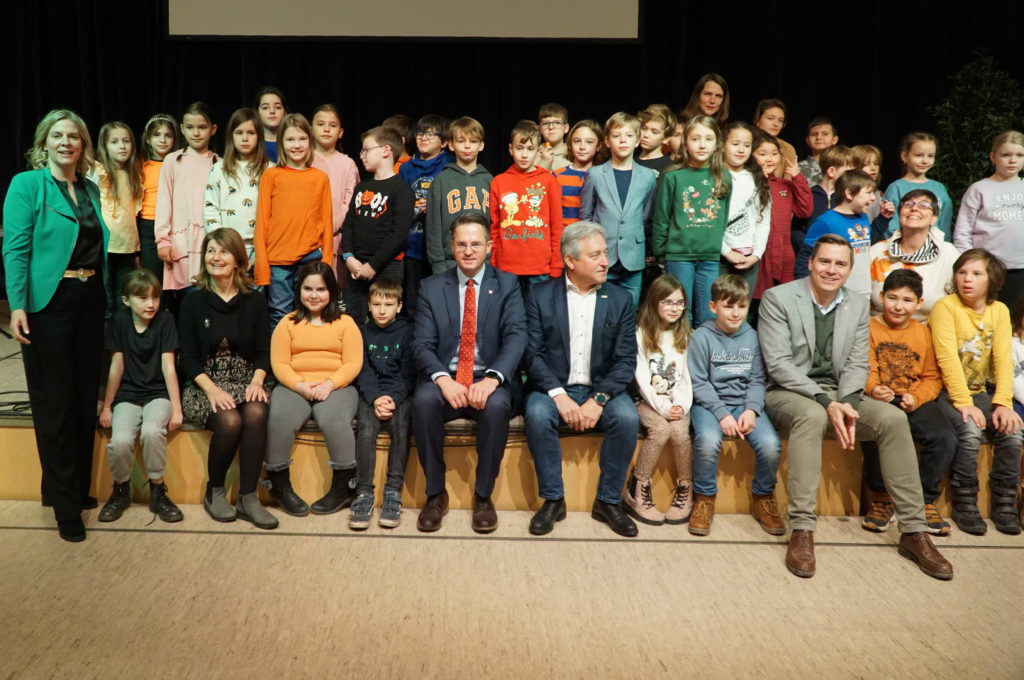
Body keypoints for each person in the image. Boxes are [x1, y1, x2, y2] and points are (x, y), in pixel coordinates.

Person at [759, 234, 953, 580]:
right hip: (791, 392)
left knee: (893, 418)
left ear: (850, 270)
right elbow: (779, 365)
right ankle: (802, 529)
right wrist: (826, 402)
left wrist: (846, 403)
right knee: (810, 415)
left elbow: (856, 363)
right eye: (825, 261)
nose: (831, 270)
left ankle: (913, 531)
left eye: (840, 264)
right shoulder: (778, 298)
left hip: (841, 392)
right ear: (810, 262)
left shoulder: (858, 304)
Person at [3, 109, 109, 542]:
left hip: (88, 301)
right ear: (44, 142)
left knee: (83, 400)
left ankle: (68, 489)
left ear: (83, 146)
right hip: (49, 304)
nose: (67, 142)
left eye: (75, 137)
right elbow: (16, 250)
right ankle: (66, 508)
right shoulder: (27, 185)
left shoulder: (90, 188)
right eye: (58, 135)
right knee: (55, 404)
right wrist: (17, 305)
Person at [411, 212, 527, 533]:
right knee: (422, 401)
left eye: (476, 243)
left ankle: (483, 495)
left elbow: (517, 337)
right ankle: (435, 494)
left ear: (489, 246)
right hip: (447, 379)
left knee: (498, 405)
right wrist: (442, 379)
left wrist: (492, 379)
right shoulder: (432, 287)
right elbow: (420, 344)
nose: (469, 250)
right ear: (451, 246)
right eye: (461, 244)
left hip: (487, 379)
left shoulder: (507, 285)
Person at [523, 221, 640, 537]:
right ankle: (552, 500)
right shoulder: (539, 295)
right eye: (596, 255)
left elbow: (626, 360)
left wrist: (599, 399)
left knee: (628, 418)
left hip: (601, 388)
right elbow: (531, 354)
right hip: (552, 387)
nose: (605, 261)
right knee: (535, 413)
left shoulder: (620, 299)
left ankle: (608, 501)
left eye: (605, 253)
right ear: (571, 261)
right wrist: (558, 394)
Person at [178, 228, 277, 529]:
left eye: (222, 251)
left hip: (247, 378)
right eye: (210, 251)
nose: (215, 257)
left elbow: (263, 351)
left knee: (257, 411)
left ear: (238, 259)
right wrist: (210, 390)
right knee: (230, 420)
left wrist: (257, 382)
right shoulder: (193, 301)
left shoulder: (254, 301)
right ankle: (215, 490)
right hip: (203, 383)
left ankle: (249, 497)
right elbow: (188, 358)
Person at [929, 248, 1023, 535]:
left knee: (1013, 430)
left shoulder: (1000, 311)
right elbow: (947, 359)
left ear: (991, 279)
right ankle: (964, 498)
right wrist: (962, 402)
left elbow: (1003, 361)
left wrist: (1003, 402)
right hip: (946, 392)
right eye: (962, 272)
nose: (966, 279)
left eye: (976, 273)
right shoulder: (946, 307)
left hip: (980, 391)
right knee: (970, 431)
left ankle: (1004, 500)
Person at [860, 269, 958, 536]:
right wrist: (873, 389)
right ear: (881, 297)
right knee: (874, 430)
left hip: (915, 398)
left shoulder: (924, 333)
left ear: (918, 303)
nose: (898, 306)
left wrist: (917, 398)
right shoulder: (869, 328)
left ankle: (924, 500)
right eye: (892, 298)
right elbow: (865, 368)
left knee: (944, 437)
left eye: (906, 300)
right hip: (882, 398)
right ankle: (881, 497)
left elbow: (932, 377)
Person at [264, 263, 363, 521]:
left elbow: (353, 363)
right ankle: (279, 486)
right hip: (295, 385)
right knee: (279, 420)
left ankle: (344, 487)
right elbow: (280, 363)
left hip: (336, 385)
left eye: (321, 289)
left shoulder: (346, 323)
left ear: (331, 291)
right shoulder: (286, 323)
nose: (314, 295)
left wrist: (329, 383)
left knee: (333, 421)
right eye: (308, 288)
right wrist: (299, 385)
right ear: (299, 291)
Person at [687, 275, 782, 536]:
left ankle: (762, 496)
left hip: (743, 403)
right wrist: (721, 414)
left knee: (771, 445)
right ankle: (704, 498)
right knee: (706, 440)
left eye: (741, 306)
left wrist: (751, 409)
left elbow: (757, 379)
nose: (736, 313)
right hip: (708, 404)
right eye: (728, 306)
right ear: (713, 307)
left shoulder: (752, 336)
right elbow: (699, 383)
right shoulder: (701, 337)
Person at [98, 269, 183, 523]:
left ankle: (158, 491)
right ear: (126, 300)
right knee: (121, 440)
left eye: (155, 297)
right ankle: (121, 489)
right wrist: (107, 406)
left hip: (158, 393)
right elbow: (117, 366)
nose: (151, 304)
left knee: (151, 432)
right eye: (143, 298)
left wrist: (177, 409)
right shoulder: (119, 322)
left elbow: (169, 367)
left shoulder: (165, 320)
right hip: (128, 393)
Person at [253, 113, 333, 328]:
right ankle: (279, 362)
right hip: (278, 260)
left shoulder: (320, 178)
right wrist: (262, 266)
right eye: (290, 140)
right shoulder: (271, 176)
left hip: (311, 258)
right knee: (279, 315)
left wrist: (326, 264)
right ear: (281, 143)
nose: (296, 145)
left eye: (301, 139)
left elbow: (326, 222)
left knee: (311, 315)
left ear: (310, 142)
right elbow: (262, 222)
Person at [625, 275, 693, 526]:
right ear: (654, 303)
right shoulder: (640, 335)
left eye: (679, 303)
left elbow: (686, 378)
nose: (675, 308)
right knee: (661, 429)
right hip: (646, 400)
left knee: (679, 432)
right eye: (668, 302)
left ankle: (686, 488)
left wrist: (680, 406)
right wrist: (663, 407)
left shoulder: (686, 335)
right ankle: (637, 485)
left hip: (676, 402)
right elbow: (642, 378)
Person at [652, 115, 731, 325]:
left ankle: (702, 358)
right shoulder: (672, 176)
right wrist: (661, 254)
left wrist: (716, 247)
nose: (702, 145)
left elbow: (723, 217)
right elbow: (661, 218)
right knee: (680, 314)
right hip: (679, 256)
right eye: (695, 139)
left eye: (708, 139)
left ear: (717, 143)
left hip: (709, 257)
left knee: (708, 315)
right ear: (685, 141)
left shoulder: (723, 175)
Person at [354, 278, 417, 528]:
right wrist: (375, 398)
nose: (382, 310)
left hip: (398, 394)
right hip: (372, 394)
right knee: (366, 430)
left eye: (388, 304)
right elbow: (363, 370)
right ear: (368, 305)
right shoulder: (362, 331)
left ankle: (393, 491)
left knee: (402, 428)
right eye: (376, 304)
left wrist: (392, 399)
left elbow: (408, 373)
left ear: (399, 306)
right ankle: (364, 492)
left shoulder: (408, 332)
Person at [579, 112, 658, 307]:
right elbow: (586, 217)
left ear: (638, 140)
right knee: (600, 311)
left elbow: (646, 216)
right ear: (607, 141)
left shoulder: (648, 176)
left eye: (629, 135)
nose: (623, 140)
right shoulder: (596, 174)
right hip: (602, 257)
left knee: (629, 314)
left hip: (633, 258)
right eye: (616, 135)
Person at [340, 125, 414, 322]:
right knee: (354, 320)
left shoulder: (402, 190)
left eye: (366, 149)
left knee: (383, 320)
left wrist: (373, 265)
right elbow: (348, 225)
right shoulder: (362, 187)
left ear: (386, 150)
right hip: (356, 267)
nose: (362, 155)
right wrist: (349, 258)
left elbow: (398, 234)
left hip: (386, 267)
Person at [155, 101, 219, 315]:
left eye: (202, 127)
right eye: (190, 127)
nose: (196, 133)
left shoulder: (220, 163)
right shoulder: (173, 161)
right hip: (180, 243)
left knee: (210, 299)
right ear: (182, 129)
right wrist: (162, 240)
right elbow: (164, 202)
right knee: (186, 302)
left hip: (210, 242)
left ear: (213, 129)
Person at [489, 120, 564, 292]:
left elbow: (556, 227)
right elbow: (494, 227)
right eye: (519, 148)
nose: (524, 155)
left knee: (538, 316)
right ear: (510, 149)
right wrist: (493, 262)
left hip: (539, 267)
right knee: (508, 316)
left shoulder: (549, 182)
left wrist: (556, 266)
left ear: (538, 152)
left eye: (530, 149)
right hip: (506, 267)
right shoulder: (499, 182)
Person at [953, 130, 1024, 307]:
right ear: (993, 157)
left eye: (1019, 155)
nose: (1012, 160)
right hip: (987, 269)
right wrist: (969, 266)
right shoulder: (979, 189)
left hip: (1021, 268)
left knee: (1015, 321)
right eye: (1006, 155)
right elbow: (963, 231)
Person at [868, 189, 960, 321]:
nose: (914, 209)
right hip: (878, 330)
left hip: (929, 331)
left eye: (923, 205)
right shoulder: (876, 251)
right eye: (908, 204)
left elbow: (959, 302)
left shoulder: (948, 254)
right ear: (900, 214)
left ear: (934, 218)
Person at [400, 114, 453, 319]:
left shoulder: (449, 165)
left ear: (445, 142)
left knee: (441, 300)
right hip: (413, 244)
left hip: (440, 247)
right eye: (421, 133)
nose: (424, 138)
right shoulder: (406, 168)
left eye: (431, 135)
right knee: (413, 301)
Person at [751, 132, 812, 306]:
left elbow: (804, 210)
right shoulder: (747, 182)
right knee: (754, 305)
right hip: (759, 254)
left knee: (780, 304)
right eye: (762, 154)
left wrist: (797, 177)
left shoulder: (784, 185)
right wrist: (758, 179)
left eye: (774, 154)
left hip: (783, 253)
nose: (769, 159)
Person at [426, 116, 492, 274]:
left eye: (473, 141)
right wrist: (438, 264)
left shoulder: (490, 180)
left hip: (484, 262)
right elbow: (433, 227)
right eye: (461, 141)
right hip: (449, 263)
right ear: (451, 145)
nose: (467, 146)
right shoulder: (441, 181)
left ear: (481, 145)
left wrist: (491, 261)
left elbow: (495, 226)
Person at [795, 169, 876, 298]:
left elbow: (869, 242)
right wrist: (803, 292)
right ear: (849, 194)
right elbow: (806, 255)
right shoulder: (826, 221)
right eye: (869, 193)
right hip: (835, 292)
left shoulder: (863, 217)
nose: (873, 198)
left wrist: (884, 219)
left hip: (862, 290)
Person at [204, 108, 267, 268]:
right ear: (231, 136)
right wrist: (221, 246)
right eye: (239, 133)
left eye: (251, 133)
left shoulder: (269, 170)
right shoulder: (219, 169)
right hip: (225, 249)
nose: (245, 138)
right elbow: (210, 208)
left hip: (258, 249)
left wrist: (262, 251)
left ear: (259, 135)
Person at [89, 121, 143, 301]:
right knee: (106, 298)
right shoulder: (98, 171)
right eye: (114, 142)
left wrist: (137, 252)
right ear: (104, 146)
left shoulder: (134, 174)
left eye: (126, 141)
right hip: (105, 247)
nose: (122, 146)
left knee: (123, 298)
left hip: (127, 248)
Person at [719, 121, 771, 293]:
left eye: (747, 145)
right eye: (735, 144)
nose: (741, 150)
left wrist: (756, 254)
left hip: (749, 258)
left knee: (742, 310)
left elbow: (763, 219)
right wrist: (726, 251)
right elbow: (708, 222)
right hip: (720, 256)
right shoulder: (715, 176)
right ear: (722, 145)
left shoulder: (757, 179)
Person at [311, 104, 359, 280]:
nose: (326, 129)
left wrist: (331, 226)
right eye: (320, 124)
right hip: (307, 238)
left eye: (332, 125)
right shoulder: (305, 159)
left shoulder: (347, 164)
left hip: (336, 238)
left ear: (340, 132)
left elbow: (350, 202)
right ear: (311, 128)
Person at [882, 132, 954, 241]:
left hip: (935, 248)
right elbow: (890, 226)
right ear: (904, 156)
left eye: (930, 156)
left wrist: (943, 246)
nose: (925, 161)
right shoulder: (896, 188)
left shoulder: (939, 188)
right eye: (918, 155)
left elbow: (945, 224)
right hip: (904, 248)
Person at [138, 114, 179, 281]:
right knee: (153, 277)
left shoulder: (178, 164)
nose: (162, 140)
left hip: (174, 225)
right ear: (148, 139)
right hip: (148, 225)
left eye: (168, 135)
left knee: (176, 277)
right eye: (157, 135)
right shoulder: (141, 166)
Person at [553, 119, 603, 227]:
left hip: (592, 237)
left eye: (589, 142)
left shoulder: (602, 176)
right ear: (570, 144)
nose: (582, 147)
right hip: (565, 238)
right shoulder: (557, 176)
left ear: (598, 146)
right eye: (577, 141)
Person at [752, 98, 798, 177]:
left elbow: (787, 182)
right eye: (770, 118)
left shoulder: (787, 148)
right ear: (757, 120)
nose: (776, 124)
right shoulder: (746, 143)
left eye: (780, 120)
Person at [635, 104, 676, 175]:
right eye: (644, 128)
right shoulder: (628, 161)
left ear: (666, 138)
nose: (646, 135)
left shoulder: (669, 169)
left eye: (654, 132)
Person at [797, 116, 839, 187]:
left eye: (825, 134)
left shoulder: (842, 165)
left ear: (834, 139)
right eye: (814, 134)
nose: (819, 137)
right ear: (807, 140)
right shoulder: (798, 168)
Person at [253, 86, 287, 163]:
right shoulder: (251, 144)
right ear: (257, 112)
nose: (272, 111)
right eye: (265, 107)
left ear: (285, 112)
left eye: (277, 107)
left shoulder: (294, 144)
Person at [537, 102, 571, 172]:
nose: (551, 127)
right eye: (546, 123)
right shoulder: (532, 154)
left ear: (566, 128)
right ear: (540, 129)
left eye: (557, 123)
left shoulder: (574, 154)